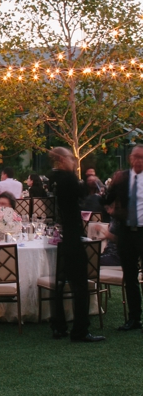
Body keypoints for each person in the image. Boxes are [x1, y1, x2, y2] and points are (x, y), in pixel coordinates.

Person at [47, 147, 104, 342]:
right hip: (72, 235)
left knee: (61, 282)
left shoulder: (52, 179)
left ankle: (59, 325)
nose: (74, 161)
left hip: (61, 234)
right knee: (80, 285)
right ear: (63, 159)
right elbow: (82, 195)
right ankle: (80, 330)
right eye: (71, 158)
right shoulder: (68, 179)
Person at [103, 144, 143, 332]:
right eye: (135, 156)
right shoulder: (122, 178)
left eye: (142, 157)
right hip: (126, 233)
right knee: (130, 276)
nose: (138, 160)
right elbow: (107, 199)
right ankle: (135, 318)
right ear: (130, 158)